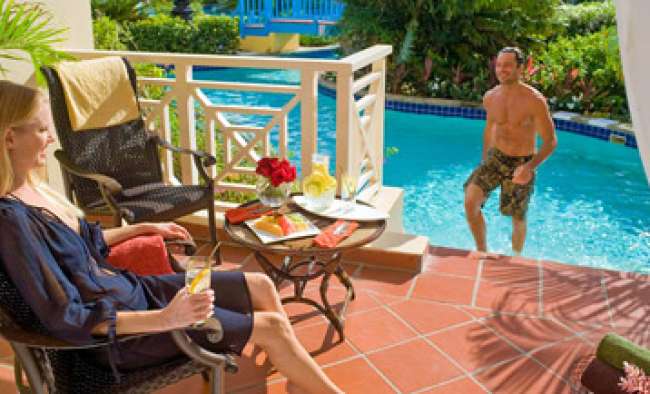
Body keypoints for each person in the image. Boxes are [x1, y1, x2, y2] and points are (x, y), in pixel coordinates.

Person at [0, 80, 342, 393]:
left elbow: (87, 242)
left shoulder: (34, 188)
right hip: (123, 338)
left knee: (261, 286)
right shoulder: (10, 221)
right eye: (43, 129)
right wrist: (167, 319)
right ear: (10, 138)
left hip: (137, 294)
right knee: (273, 328)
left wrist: (143, 228)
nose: (52, 139)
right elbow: (66, 316)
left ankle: (299, 381)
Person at [464, 47, 557, 257]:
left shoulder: (534, 101)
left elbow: (551, 141)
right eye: (498, 65)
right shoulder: (490, 97)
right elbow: (489, 129)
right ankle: (482, 252)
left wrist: (529, 167)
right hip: (496, 158)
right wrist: (483, 160)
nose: (501, 69)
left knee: (517, 217)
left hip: (522, 161)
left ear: (520, 68)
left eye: (507, 65)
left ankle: (516, 257)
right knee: (471, 202)